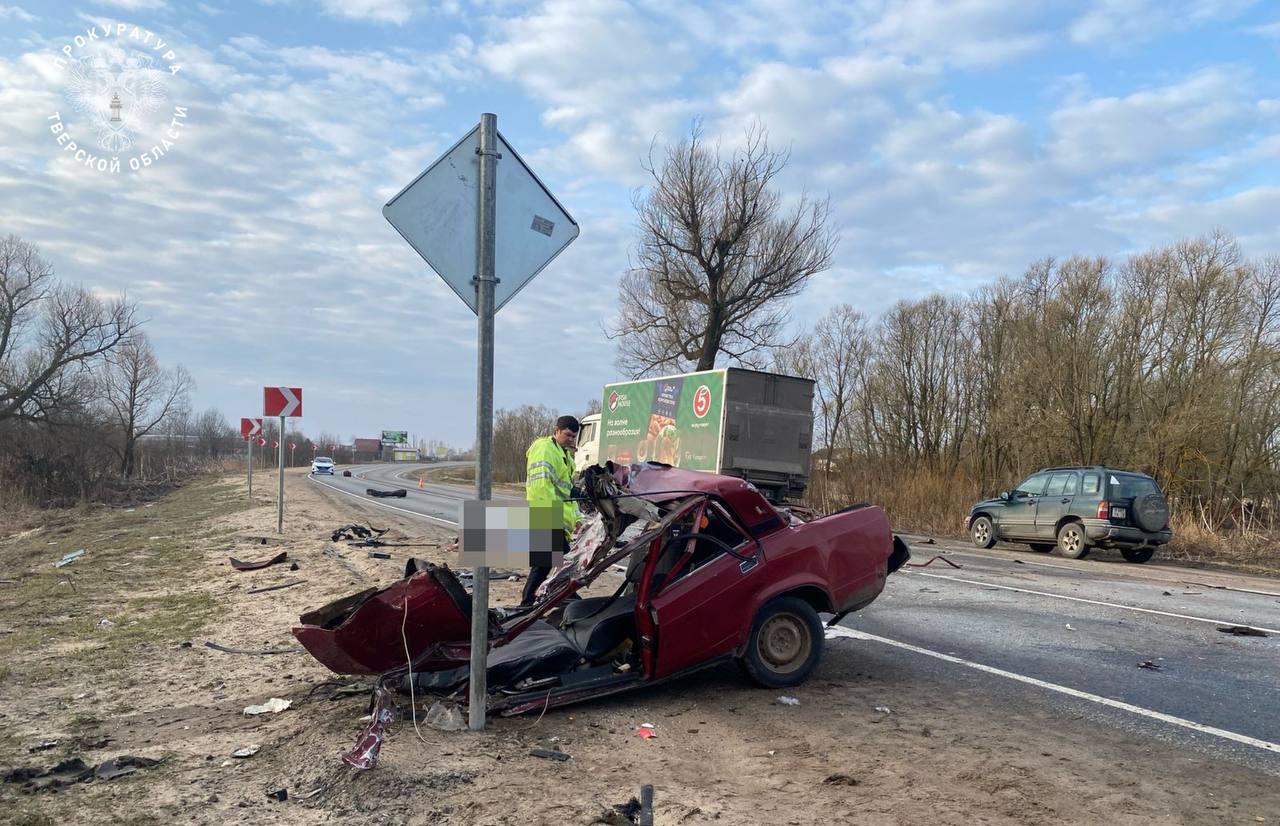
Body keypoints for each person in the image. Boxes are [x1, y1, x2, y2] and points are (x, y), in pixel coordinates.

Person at [521, 415, 582, 606]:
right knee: (562, 565)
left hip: (555, 519)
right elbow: (540, 488)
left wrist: (577, 518)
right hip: (545, 516)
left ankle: (529, 604)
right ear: (556, 431)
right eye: (567, 435)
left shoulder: (564, 455)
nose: (570, 439)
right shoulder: (545, 449)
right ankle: (567, 600)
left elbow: (565, 491)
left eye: (574, 437)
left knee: (546, 566)